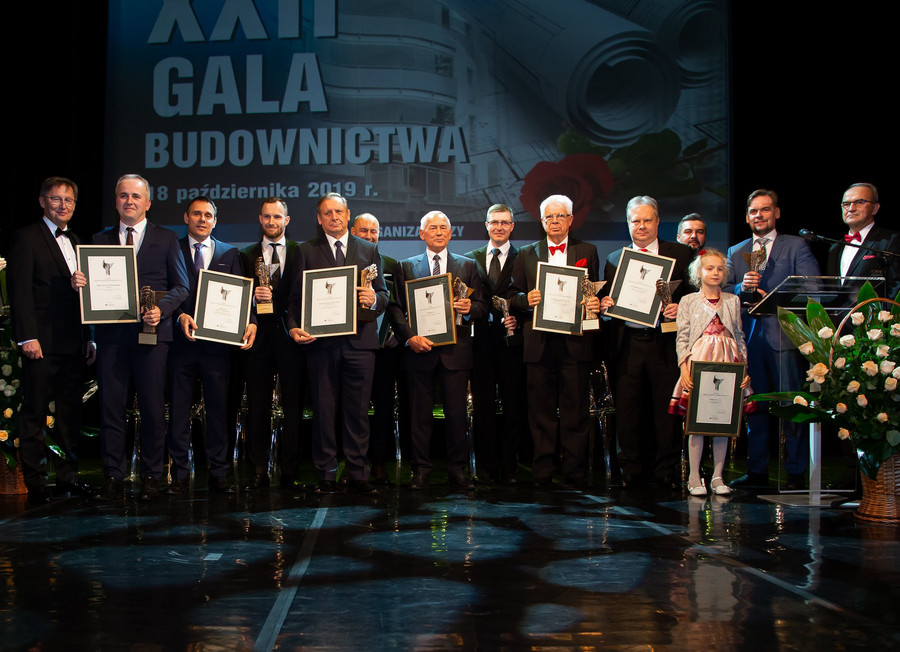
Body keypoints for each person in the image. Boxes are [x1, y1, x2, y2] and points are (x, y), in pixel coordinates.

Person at [76, 174, 190, 501]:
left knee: (153, 409)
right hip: (111, 338)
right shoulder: (98, 241)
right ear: (116, 201)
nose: (129, 201)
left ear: (148, 203)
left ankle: (152, 476)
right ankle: (113, 476)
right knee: (111, 409)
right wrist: (80, 282)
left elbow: (182, 287)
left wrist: (161, 310)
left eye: (136, 196)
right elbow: (92, 292)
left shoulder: (167, 238)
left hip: (151, 337)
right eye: (123, 195)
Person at [287, 194, 388, 495]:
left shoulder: (368, 249)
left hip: (360, 344)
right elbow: (294, 300)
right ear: (319, 219)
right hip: (321, 345)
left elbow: (384, 295)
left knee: (358, 412)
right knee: (324, 411)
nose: (334, 217)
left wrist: (374, 299)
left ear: (348, 215)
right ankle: (326, 474)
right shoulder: (305, 251)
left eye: (339, 212)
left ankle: (358, 474)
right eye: (327, 213)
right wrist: (292, 327)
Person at [7, 177, 97, 504]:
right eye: (56, 199)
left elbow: (85, 297)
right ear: (42, 201)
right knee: (35, 411)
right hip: (40, 343)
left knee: (70, 414)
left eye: (69, 200)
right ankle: (35, 481)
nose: (63, 205)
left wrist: (90, 338)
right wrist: (27, 337)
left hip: (73, 342)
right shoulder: (26, 237)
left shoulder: (78, 241)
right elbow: (19, 292)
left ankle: (67, 477)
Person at [725, 188, 820, 490]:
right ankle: (757, 470)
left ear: (776, 213)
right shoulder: (735, 251)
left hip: (784, 338)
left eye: (765, 209)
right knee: (755, 406)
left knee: (791, 405)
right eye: (753, 211)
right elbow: (724, 291)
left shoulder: (796, 246)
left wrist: (774, 298)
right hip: (749, 340)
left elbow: (811, 288)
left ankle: (796, 472)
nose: (759, 215)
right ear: (746, 217)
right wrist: (741, 287)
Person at [387, 211, 486, 489]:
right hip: (420, 351)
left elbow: (482, 305)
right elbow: (396, 309)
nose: (439, 232)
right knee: (419, 416)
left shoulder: (468, 265)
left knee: (456, 415)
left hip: (456, 353)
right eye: (432, 228)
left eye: (444, 227)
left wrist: (469, 308)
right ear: (422, 234)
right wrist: (409, 337)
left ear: (451, 233)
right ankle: (421, 470)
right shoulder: (406, 266)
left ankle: (457, 470)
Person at [599, 196, 693, 488]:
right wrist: (605, 305)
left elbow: (694, 296)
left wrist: (680, 306)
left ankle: (666, 469)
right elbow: (608, 302)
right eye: (635, 221)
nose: (641, 226)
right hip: (627, 344)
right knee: (628, 410)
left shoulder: (680, 254)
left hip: (664, 343)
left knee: (666, 409)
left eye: (647, 220)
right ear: (628, 224)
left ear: (658, 221)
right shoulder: (615, 259)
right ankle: (631, 469)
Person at [165, 197, 257, 495]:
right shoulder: (172, 248)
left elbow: (242, 292)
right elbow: (166, 289)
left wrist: (251, 320)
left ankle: (219, 473)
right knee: (179, 411)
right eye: (196, 214)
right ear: (186, 217)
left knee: (218, 411)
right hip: (180, 344)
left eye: (208, 215)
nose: (202, 219)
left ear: (215, 221)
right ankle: (179, 474)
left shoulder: (229, 253)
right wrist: (179, 316)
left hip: (217, 345)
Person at [508, 194, 600, 487]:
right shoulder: (526, 253)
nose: (555, 221)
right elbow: (512, 295)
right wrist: (526, 299)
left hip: (575, 343)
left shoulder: (587, 250)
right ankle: (543, 472)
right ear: (541, 221)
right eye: (549, 216)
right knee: (540, 412)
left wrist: (594, 302)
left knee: (575, 410)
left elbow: (593, 291)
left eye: (560, 216)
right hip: (539, 343)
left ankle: (574, 472)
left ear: (571, 219)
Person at [669, 249, 750, 496]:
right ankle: (694, 477)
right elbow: (682, 337)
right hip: (700, 360)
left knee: (722, 420)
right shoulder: (688, 301)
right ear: (699, 272)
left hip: (727, 361)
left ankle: (717, 476)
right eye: (709, 268)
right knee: (697, 421)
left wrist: (744, 368)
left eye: (720, 268)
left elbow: (739, 336)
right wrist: (684, 368)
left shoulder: (732, 300)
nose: (715, 273)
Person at [240, 197, 305, 491]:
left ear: (286, 220)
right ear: (260, 219)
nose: (271, 221)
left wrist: (295, 325)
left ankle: (290, 471)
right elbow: (239, 297)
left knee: (293, 405)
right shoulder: (246, 255)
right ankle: (258, 470)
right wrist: (252, 303)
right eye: (267, 216)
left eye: (277, 216)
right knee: (257, 405)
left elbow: (302, 295)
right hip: (258, 338)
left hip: (292, 338)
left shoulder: (300, 252)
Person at [465, 203, 526, 484]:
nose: (499, 227)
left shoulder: (525, 257)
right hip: (480, 343)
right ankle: (488, 467)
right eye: (494, 222)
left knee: (514, 406)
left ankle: (510, 467)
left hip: (513, 343)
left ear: (512, 226)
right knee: (483, 407)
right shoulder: (470, 259)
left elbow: (528, 297)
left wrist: (518, 319)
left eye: (504, 222)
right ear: (486, 225)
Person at [350, 213, 406, 485]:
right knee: (353, 407)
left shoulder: (392, 264)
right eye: (364, 230)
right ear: (353, 232)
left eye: (374, 231)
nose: (370, 236)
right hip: (354, 345)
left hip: (386, 349)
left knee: (384, 406)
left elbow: (397, 305)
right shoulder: (346, 263)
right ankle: (351, 464)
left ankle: (380, 463)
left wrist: (396, 333)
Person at [826, 183, 900, 299]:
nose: (851, 209)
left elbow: (897, 286)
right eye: (846, 204)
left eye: (860, 202)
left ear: (875, 208)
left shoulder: (891, 240)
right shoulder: (835, 248)